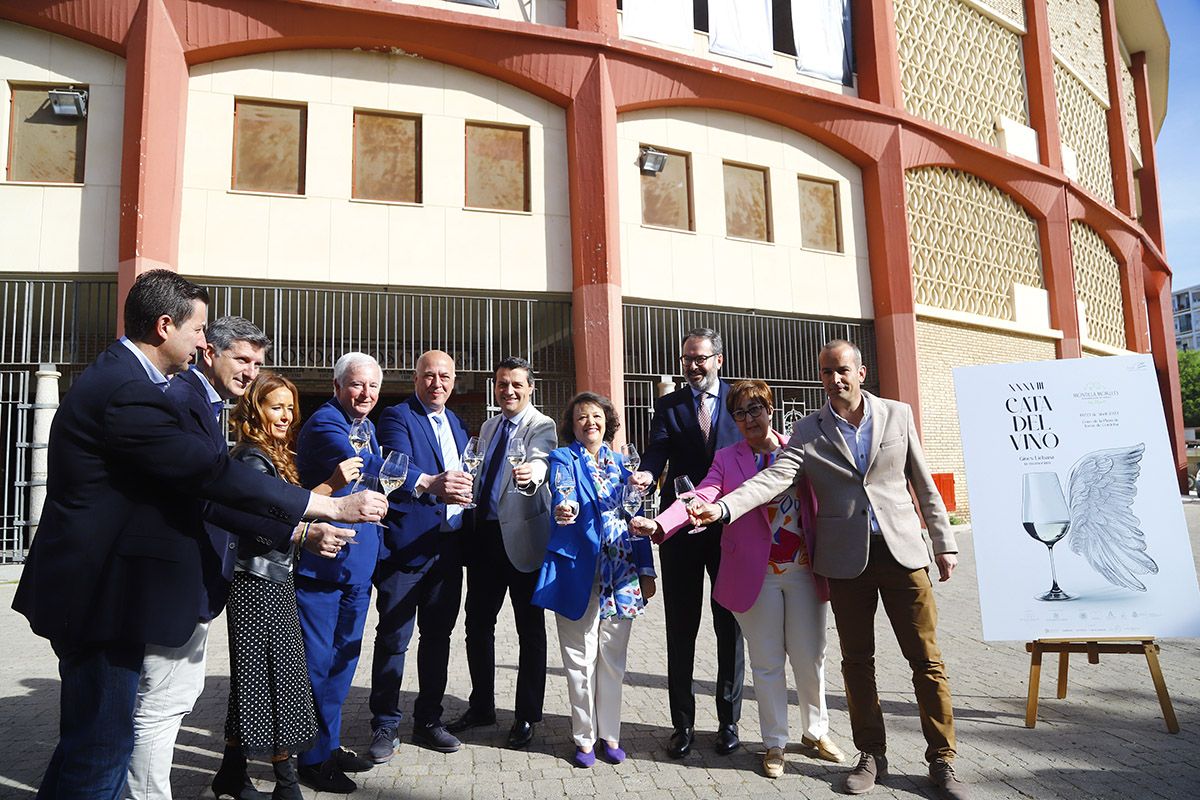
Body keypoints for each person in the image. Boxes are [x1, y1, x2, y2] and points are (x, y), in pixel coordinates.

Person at [11, 269, 385, 800]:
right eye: (199, 330)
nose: (203, 341)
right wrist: (328, 504)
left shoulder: (134, 381)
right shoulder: (129, 389)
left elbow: (202, 495)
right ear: (165, 326)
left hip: (112, 594)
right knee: (99, 752)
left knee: (91, 750)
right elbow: (210, 477)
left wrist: (298, 531)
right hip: (98, 595)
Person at [690, 341, 969, 800]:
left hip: (902, 554)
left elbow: (922, 482)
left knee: (926, 660)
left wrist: (945, 543)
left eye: (842, 370)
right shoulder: (808, 430)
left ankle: (942, 760)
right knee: (857, 662)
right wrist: (722, 509)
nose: (834, 379)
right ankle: (871, 756)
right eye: (826, 372)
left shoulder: (897, 415)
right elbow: (774, 478)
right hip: (845, 562)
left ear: (861, 371)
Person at [632, 380, 845, 779]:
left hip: (802, 569)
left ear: (771, 408)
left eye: (755, 409)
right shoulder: (728, 458)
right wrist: (661, 524)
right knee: (766, 663)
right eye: (739, 414)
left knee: (810, 656)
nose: (748, 419)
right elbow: (703, 494)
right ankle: (774, 743)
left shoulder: (796, 449)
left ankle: (816, 732)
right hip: (756, 574)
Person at [124, 316, 274, 800]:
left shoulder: (206, 405)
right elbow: (207, 496)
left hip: (191, 582)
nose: (251, 372)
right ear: (210, 352)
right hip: (174, 582)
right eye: (242, 360)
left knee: (169, 700)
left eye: (258, 363)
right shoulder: (184, 400)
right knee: (162, 704)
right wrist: (307, 519)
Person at [219, 373, 363, 800]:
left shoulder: (273, 454)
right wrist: (322, 513)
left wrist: (330, 492)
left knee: (254, 681)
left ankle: (230, 773)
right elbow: (263, 525)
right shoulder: (251, 459)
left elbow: (286, 510)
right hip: (256, 582)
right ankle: (286, 786)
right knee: (280, 681)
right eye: (274, 406)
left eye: (288, 407)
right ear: (254, 410)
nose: (284, 415)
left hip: (275, 577)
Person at [630, 327, 744, 758]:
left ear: (718, 359)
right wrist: (645, 473)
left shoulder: (739, 400)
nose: (692, 366)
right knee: (681, 627)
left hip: (729, 527)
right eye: (686, 360)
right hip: (678, 529)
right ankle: (682, 724)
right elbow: (657, 453)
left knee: (728, 626)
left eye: (700, 358)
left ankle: (728, 722)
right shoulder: (669, 406)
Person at [532, 392, 656, 768]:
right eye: (582, 417)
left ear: (608, 422)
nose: (590, 422)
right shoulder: (563, 458)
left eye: (597, 416)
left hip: (620, 573)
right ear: (573, 423)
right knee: (579, 661)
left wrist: (647, 569)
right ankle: (585, 739)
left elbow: (636, 516)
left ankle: (610, 736)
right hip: (577, 572)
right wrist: (563, 506)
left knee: (613, 662)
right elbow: (563, 489)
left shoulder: (623, 465)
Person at [448, 357, 556, 749]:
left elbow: (542, 459)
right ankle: (481, 706)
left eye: (516, 384)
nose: (508, 391)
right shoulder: (491, 426)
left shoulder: (542, 425)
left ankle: (526, 715)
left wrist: (534, 473)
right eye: (502, 384)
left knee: (530, 631)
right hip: (484, 539)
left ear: (530, 388)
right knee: (477, 625)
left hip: (524, 540)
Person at [371, 350, 474, 759]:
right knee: (394, 639)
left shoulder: (457, 423)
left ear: (454, 380)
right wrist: (430, 482)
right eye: (429, 375)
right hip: (407, 549)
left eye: (444, 376)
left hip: (448, 549)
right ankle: (384, 723)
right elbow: (393, 467)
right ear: (416, 379)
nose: (437, 383)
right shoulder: (397, 417)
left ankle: (429, 720)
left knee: (438, 638)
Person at [293, 353, 386, 795]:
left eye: (372, 386)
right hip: (323, 567)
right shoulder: (327, 422)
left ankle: (326, 744)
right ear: (336, 385)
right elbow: (368, 468)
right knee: (318, 664)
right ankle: (311, 758)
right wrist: (424, 480)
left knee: (343, 662)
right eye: (356, 385)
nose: (364, 393)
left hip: (357, 567)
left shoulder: (367, 425)